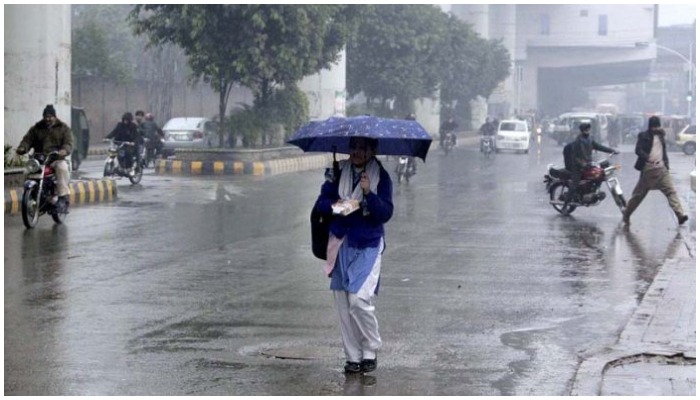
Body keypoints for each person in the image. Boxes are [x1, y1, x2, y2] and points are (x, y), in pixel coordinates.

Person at [314, 136, 394, 374]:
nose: (357, 152)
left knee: (358, 300)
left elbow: (385, 213)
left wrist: (368, 193)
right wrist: (339, 205)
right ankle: (353, 357)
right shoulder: (337, 172)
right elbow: (321, 203)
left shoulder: (381, 177)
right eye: (354, 147)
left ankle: (371, 347)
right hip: (340, 243)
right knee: (342, 304)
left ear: (372, 151)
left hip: (368, 244)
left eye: (363, 148)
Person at [622, 116, 688, 225]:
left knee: (671, 192)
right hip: (649, 169)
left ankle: (680, 215)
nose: (657, 128)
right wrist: (647, 157)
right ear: (651, 126)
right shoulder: (643, 136)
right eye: (655, 126)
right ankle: (627, 214)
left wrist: (666, 164)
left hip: (662, 169)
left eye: (658, 126)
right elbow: (638, 150)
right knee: (638, 195)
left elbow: (664, 150)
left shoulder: (661, 136)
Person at [15, 104, 73, 213]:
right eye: (46, 116)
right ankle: (31, 194)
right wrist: (23, 148)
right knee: (26, 170)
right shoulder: (36, 128)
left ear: (55, 117)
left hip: (55, 159)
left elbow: (68, 143)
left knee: (62, 167)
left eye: (50, 116)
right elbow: (27, 140)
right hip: (39, 160)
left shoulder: (63, 128)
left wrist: (64, 150)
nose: (48, 119)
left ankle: (62, 197)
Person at [565, 122, 619, 203]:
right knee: (575, 184)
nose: (587, 131)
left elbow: (599, 147)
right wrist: (582, 164)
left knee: (598, 176)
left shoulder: (590, 139)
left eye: (588, 130)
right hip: (577, 167)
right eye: (586, 130)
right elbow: (575, 157)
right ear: (582, 131)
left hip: (588, 164)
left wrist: (612, 150)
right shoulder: (577, 142)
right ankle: (566, 203)